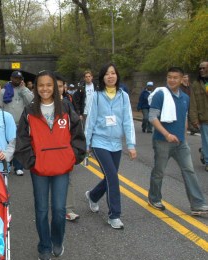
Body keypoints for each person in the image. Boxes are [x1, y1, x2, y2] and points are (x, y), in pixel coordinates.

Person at [15, 70, 85, 260]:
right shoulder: (29, 111)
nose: (45, 88)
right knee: (42, 210)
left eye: (49, 85)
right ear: (35, 88)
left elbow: (78, 135)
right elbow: (22, 139)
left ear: (55, 86)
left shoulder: (66, 107)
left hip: (62, 168)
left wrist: (72, 157)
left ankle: (57, 241)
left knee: (60, 209)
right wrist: (32, 161)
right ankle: (44, 246)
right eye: (41, 85)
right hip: (40, 169)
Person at [148, 67, 208, 215]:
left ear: (182, 80)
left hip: (180, 143)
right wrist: (167, 134)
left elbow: (184, 118)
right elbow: (152, 117)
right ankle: (154, 198)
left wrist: (184, 136)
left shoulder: (185, 98)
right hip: (162, 141)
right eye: (169, 77)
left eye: (175, 77)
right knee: (159, 171)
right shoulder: (160, 95)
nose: (172, 80)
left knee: (189, 171)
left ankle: (197, 204)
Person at [84, 63, 137, 229]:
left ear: (117, 76)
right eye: (107, 74)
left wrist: (131, 144)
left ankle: (93, 196)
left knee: (110, 176)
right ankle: (114, 215)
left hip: (116, 144)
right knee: (113, 178)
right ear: (102, 77)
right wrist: (87, 143)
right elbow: (91, 120)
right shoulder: (97, 96)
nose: (110, 76)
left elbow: (128, 120)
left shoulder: (124, 96)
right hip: (100, 142)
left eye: (113, 73)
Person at [55, 73, 81, 221]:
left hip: (65, 149)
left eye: (60, 86)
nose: (58, 89)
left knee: (67, 178)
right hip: (48, 151)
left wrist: (76, 150)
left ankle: (69, 209)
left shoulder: (67, 103)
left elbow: (75, 127)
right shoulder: (42, 105)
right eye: (55, 86)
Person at [0, 71, 34, 176]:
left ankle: (18, 167)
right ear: (11, 78)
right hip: (7, 123)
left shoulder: (24, 90)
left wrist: (23, 90)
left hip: (21, 123)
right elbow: (0, 106)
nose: (17, 80)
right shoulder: (4, 91)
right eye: (15, 78)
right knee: (6, 144)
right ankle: (7, 165)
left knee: (19, 145)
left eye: (19, 78)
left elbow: (31, 101)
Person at [190, 61, 208, 169]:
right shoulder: (196, 84)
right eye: (200, 68)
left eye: (204, 68)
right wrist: (194, 119)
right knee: (206, 140)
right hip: (204, 118)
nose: (201, 70)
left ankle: (203, 152)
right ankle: (207, 161)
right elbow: (193, 102)